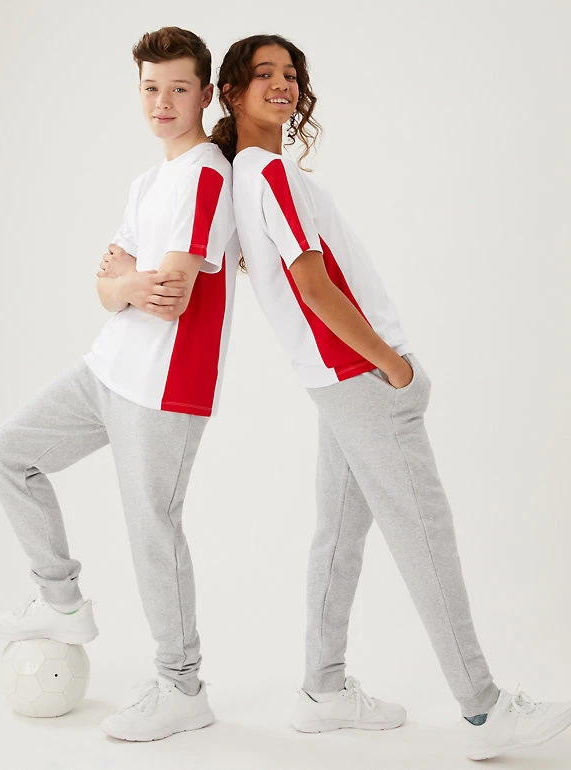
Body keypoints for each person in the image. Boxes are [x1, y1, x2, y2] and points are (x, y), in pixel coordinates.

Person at [210, 33, 571, 761]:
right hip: (362, 378)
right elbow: (314, 287)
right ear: (232, 92)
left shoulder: (246, 175)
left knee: (338, 535)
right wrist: (394, 366)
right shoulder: (268, 174)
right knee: (425, 535)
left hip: (333, 381)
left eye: (291, 74)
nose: (282, 84)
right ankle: (483, 711)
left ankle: (323, 691)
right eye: (264, 74)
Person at [0, 26, 239, 742]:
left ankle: (182, 687)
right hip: (106, 369)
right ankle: (60, 600)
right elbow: (110, 288)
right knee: (7, 453)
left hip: (164, 386)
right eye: (151, 88)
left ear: (205, 94)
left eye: (178, 88)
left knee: (152, 529)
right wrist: (127, 283)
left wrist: (126, 281)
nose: (162, 102)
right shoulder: (147, 183)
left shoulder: (206, 175)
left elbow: (172, 296)